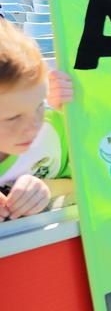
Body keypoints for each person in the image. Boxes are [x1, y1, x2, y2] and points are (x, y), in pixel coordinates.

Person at [0, 19, 72, 222]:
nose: (33, 128)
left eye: (40, 105)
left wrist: (48, 188)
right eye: (13, 117)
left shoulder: (55, 132)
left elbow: (97, 176)